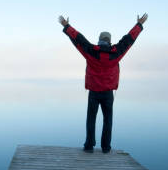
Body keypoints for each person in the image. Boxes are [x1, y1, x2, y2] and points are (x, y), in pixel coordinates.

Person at [59, 13, 148, 153]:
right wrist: (139, 25)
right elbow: (129, 40)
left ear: (100, 40)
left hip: (94, 92)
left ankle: (89, 146)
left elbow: (78, 39)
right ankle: (106, 147)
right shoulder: (116, 53)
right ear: (110, 41)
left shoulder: (90, 51)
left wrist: (66, 26)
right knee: (108, 121)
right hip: (108, 93)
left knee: (91, 120)